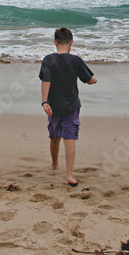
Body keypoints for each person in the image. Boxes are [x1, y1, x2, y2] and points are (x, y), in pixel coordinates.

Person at [40, 27, 96, 186]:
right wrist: (94, 80)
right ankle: (69, 175)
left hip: (53, 105)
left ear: (55, 42)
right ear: (71, 42)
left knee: (54, 136)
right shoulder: (75, 60)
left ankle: (54, 163)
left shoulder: (48, 60)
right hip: (71, 105)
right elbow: (90, 80)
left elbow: (45, 81)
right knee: (70, 137)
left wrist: (45, 102)